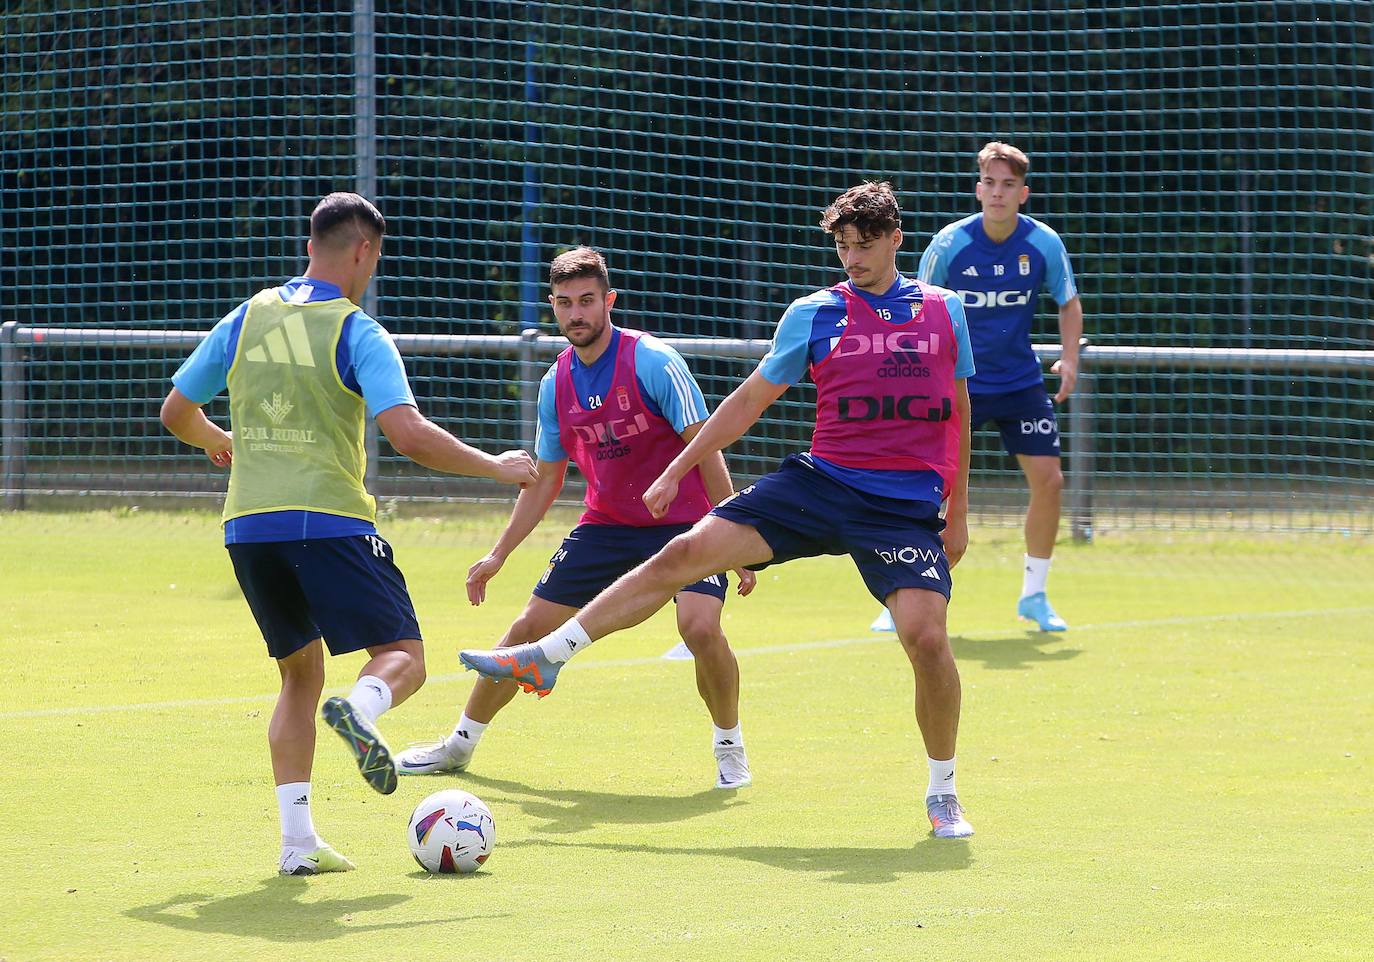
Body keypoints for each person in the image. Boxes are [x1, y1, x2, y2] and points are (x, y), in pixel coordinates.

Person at [459, 183, 979, 838]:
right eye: (843, 247)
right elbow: (747, 401)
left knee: (926, 639)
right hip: (822, 482)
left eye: (865, 246)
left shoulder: (944, 312)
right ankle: (548, 654)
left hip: (903, 504)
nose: (853, 259)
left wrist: (957, 510)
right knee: (682, 553)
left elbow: (958, 412)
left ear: (896, 240)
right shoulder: (814, 313)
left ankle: (943, 793)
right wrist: (678, 469)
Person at [159, 192, 537, 875]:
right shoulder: (356, 329)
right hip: (329, 522)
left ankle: (297, 845)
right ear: (363, 251)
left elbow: (176, 409)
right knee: (405, 656)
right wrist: (496, 466)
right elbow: (409, 434)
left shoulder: (249, 316)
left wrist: (220, 440)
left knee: (297, 677)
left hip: (247, 528)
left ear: (314, 243)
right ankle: (362, 709)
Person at [396, 247, 756, 790]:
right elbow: (546, 478)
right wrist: (499, 553)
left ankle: (729, 744)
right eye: (564, 303)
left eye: (587, 301)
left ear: (609, 301)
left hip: (684, 524)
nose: (576, 314)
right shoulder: (555, 382)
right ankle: (458, 745)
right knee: (525, 629)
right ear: (552, 307)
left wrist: (736, 535)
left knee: (699, 627)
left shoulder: (653, 361)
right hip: (608, 526)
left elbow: (706, 447)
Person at [917, 141, 1083, 632]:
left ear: (1023, 193)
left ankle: (1034, 595)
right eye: (989, 182)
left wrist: (1069, 359)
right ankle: (903, 592)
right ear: (978, 189)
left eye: (1008, 184)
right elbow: (918, 306)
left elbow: (1068, 302)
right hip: (957, 382)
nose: (997, 192)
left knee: (1050, 482)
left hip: (1019, 381)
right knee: (926, 488)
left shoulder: (1044, 244)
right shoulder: (950, 244)